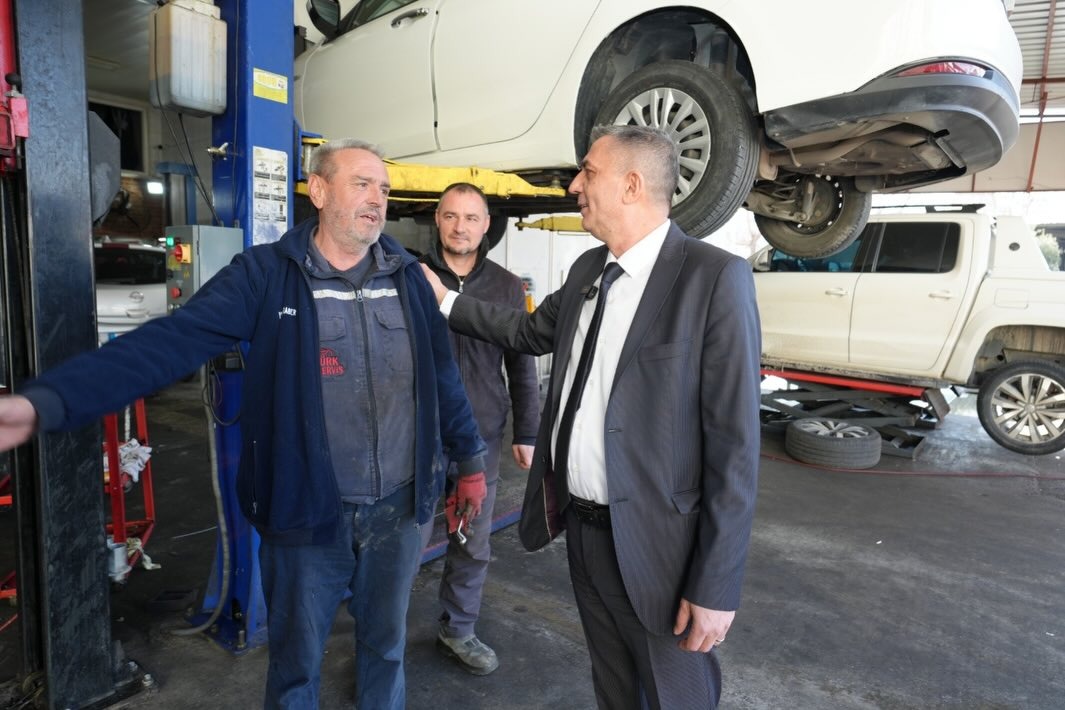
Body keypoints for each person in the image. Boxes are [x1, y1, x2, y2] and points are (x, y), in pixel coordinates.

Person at [0, 139, 488, 710]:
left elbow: (442, 377)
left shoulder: (409, 278)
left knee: (385, 647)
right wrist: (47, 402)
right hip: (307, 512)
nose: (376, 199)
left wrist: (470, 462)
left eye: (382, 188)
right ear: (319, 190)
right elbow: (170, 342)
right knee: (296, 663)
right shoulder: (265, 276)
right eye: (361, 184)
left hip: (399, 509)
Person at [420, 125, 762, 709]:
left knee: (673, 696)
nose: (575, 185)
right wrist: (445, 300)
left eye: (589, 172)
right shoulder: (588, 270)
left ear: (631, 185)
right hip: (583, 532)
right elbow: (526, 332)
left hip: (661, 549)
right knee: (614, 687)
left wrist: (716, 584)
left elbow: (735, 446)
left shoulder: (712, 278)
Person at [419, 182, 540, 675]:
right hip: (419, 436)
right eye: (451, 216)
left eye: (471, 218)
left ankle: (458, 629)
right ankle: (379, 633)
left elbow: (522, 361)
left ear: (487, 224)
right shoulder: (414, 276)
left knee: (471, 540)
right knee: (402, 541)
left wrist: (527, 430)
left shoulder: (508, 286)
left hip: (482, 437)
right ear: (437, 219)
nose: (460, 227)